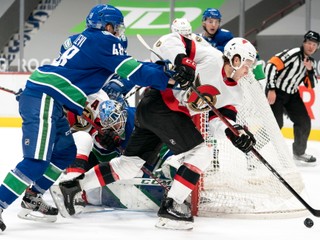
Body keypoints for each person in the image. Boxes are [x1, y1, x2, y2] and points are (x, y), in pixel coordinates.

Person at [0, 4, 190, 231]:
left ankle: (33, 197)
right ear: (108, 26)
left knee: (64, 153)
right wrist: (170, 77)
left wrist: (160, 69)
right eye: (117, 28)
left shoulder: (77, 39)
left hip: (48, 96)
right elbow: (133, 71)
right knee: (36, 161)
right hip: (44, 97)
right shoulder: (104, 41)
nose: (119, 33)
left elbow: (70, 72)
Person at [50, 26, 257, 230]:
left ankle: (72, 186)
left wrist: (235, 134)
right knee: (201, 152)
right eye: (247, 65)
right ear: (236, 59)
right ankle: (172, 206)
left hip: (157, 113)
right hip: (159, 103)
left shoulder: (235, 94)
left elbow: (219, 122)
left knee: (129, 165)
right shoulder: (211, 57)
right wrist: (182, 62)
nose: (248, 71)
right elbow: (166, 42)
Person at [265, 30, 319, 165]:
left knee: (304, 121)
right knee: (276, 124)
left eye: (315, 44)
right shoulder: (294, 53)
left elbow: (310, 85)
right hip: (276, 91)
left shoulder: (310, 62)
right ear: (304, 43)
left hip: (292, 94)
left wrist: (310, 70)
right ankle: (254, 148)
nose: (311, 47)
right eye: (309, 43)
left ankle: (299, 153)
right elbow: (271, 65)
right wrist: (271, 88)